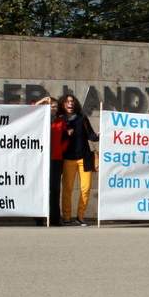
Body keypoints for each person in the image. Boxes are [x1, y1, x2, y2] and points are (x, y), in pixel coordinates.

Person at [60, 94, 99, 226]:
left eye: (72, 101)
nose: (70, 103)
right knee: (67, 189)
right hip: (68, 159)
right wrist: (66, 133)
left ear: (75, 103)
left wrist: (102, 134)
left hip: (85, 158)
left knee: (86, 188)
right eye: (67, 101)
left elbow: (91, 136)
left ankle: (80, 217)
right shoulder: (60, 119)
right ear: (63, 104)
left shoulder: (82, 118)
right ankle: (66, 217)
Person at [35, 96, 68, 226]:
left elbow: (66, 139)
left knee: (54, 189)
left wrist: (60, 149)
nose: (53, 108)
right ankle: (39, 218)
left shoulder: (61, 121)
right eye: (51, 106)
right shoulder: (39, 119)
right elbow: (28, 112)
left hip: (55, 159)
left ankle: (54, 218)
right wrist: (42, 101)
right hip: (41, 159)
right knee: (40, 188)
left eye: (55, 106)